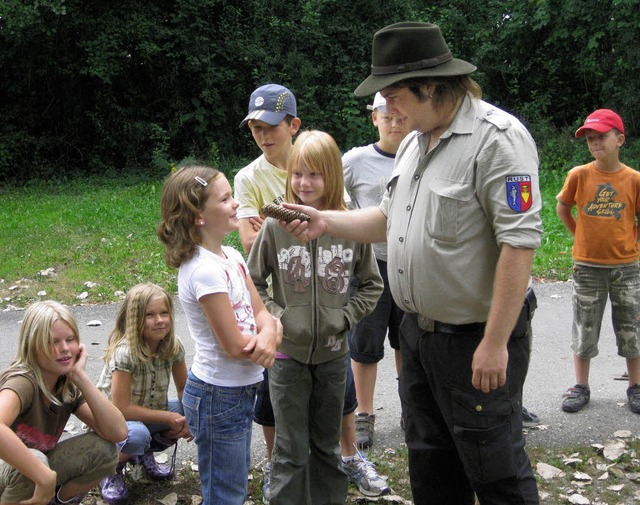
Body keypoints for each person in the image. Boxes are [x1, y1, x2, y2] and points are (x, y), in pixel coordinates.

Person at [280, 22, 542, 505]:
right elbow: (388, 219)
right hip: (419, 338)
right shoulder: (415, 142)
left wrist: (495, 342)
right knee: (432, 465)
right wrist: (324, 220)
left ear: (433, 87)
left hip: (474, 341)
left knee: (496, 470)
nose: (387, 109)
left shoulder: (498, 140)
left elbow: (518, 244)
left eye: (394, 95)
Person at [234, 83, 389, 499]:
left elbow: (372, 284)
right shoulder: (274, 227)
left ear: (332, 176)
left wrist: (344, 318)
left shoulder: (348, 225)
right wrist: (277, 319)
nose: (304, 182)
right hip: (286, 359)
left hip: (335, 355)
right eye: (298, 174)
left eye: (314, 174)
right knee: (289, 450)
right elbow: (254, 283)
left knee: (325, 446)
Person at [157, 164, 281, 505]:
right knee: (226, 494)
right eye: (225, 199)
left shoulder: (232, 256)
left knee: (233, 486)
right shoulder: (204, 270)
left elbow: (261, 313)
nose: (236, 205)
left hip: (236, 392)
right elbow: (235, 345)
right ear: (198, 215)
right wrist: (269, 338)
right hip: (216, 397)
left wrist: (270, 331)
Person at [0, 300, 127, 505]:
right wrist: (44, 476)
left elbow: (118, 432)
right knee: (35, 461)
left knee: (104, 450)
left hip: (31, 477)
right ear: (32, 345)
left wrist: (80, 377)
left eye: (70, 339)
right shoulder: (23, 381)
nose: (65, 349)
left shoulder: (65, 383)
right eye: (53, 342)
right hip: (9, 474)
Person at [556, 108, 640, 414]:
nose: (595, 143)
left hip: (626, 268)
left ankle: (635, 386)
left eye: (601, 137)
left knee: (631, 327)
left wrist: (631, 241)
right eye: (590, 139)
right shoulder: (579, 175)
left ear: (619, 139)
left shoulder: (634, 179)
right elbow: (563, 209)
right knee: (585, 327)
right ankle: (581, 386)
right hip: (588, 267)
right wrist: (581, 236)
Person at [342, 92, 410, 447]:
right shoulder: (356, 160)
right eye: (387, 116)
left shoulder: (421, 154)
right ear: (374, 118)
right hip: (367, 267)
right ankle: (364, 414)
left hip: (410, 264)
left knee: (408, 341)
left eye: (401, 116)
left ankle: (410, 408)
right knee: (365, 344)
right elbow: (335, 200)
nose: (395, 122)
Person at [97, 283, 192, 504]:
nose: (159, 320)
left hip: (145, 413)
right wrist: (168, 417)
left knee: (190, 408)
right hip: (114, 421)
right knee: (138, 434)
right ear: (134, 319)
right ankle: (110, 468)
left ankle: (142, 455)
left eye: (164, 313)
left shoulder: (173, 346)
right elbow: (121, 409)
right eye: (150, 315)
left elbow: (183, 390)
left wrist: (190, 418)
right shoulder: (125, 353)